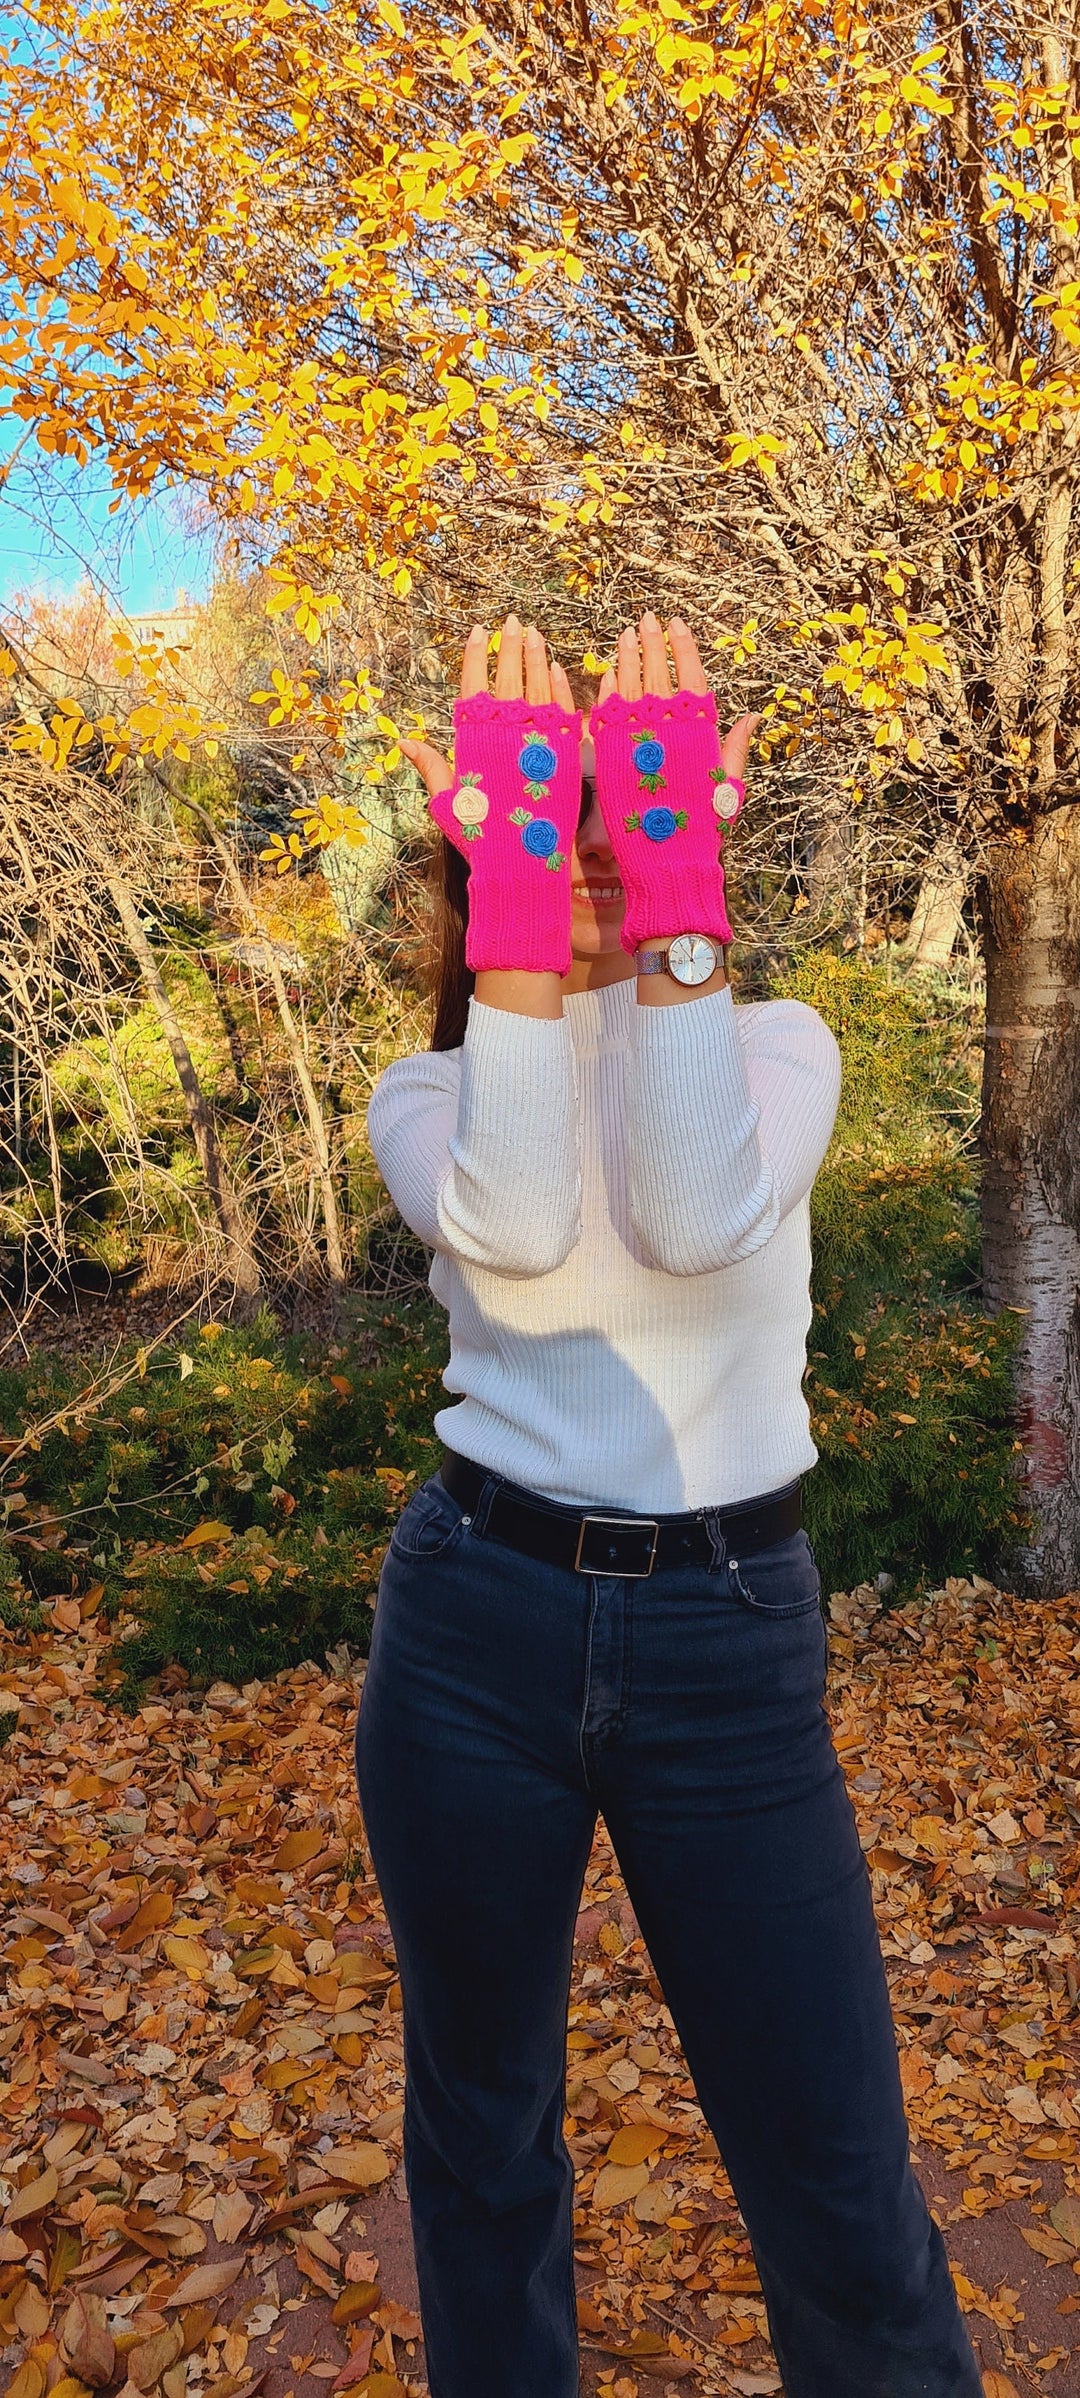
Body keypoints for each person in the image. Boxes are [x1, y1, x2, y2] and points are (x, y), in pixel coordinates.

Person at [356, 611, 983, 2398]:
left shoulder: (780, 1045)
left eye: (637, 821)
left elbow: (700, 1209)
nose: (604, 860)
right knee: (482, 2146)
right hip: (476, 1629)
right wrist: (527, 895)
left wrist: (657, 848)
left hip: (727, 1641)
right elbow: (526, 1213)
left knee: (840, 2184)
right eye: (564, 829)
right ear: (493, 860)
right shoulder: (432, 1090)